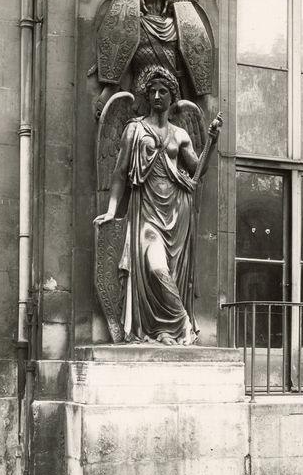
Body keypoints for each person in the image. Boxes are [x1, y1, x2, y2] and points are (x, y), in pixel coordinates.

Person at [94, 66, 219, 345]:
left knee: (169, 273)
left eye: (164, 91)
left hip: (178, 212)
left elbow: (198, 171)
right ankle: (185, 326)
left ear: (173, 96)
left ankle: (164, 331)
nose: (158, 96)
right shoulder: (134, 130)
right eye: (153, 92)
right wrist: (112, 211)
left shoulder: (181, 135)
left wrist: (213, 141)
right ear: (147, 96)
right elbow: (119, 173)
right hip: (147, 213)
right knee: (155, 268)